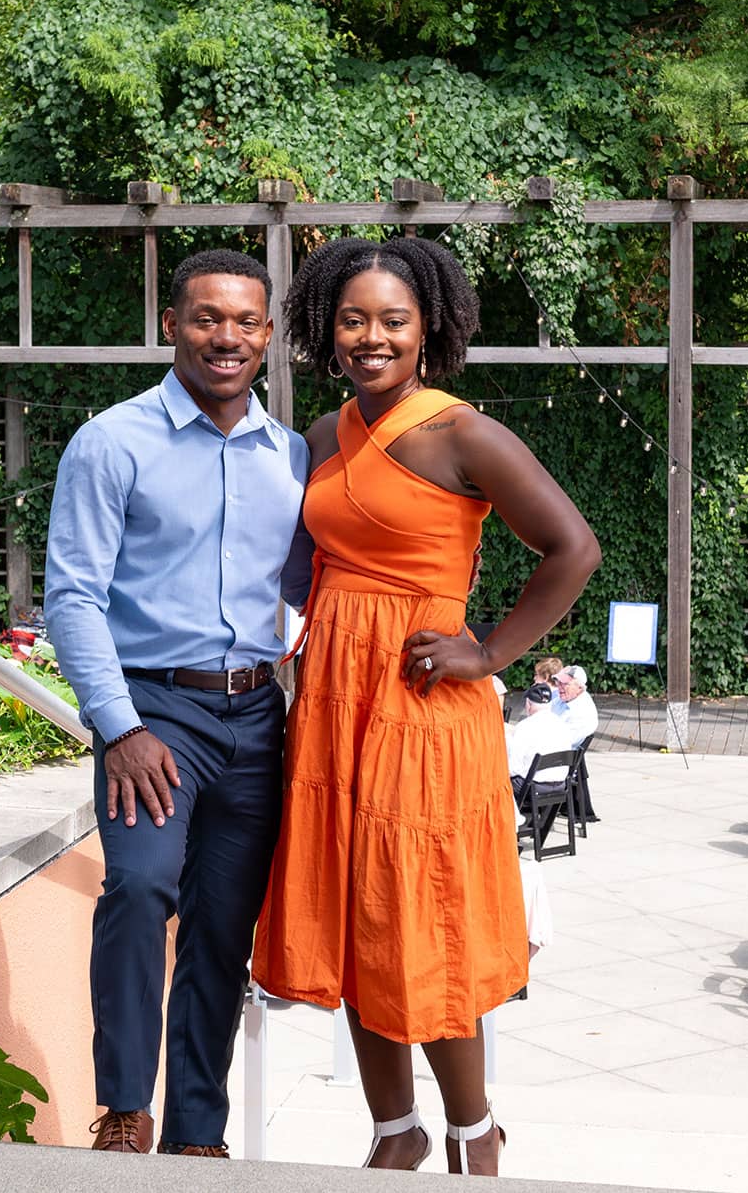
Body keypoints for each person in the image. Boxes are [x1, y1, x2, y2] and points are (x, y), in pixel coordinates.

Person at [252, 236, 600, 1176]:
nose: (372, 337)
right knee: (356, 911)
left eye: (393, 321)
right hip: (336, 697)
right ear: (327, 328)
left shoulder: (462, 433)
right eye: (353, 319)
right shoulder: (324, 434)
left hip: (421, 698)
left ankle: (473, 1132)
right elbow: (300, 565)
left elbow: (573, 547)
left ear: (427, 328)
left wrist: (487, 652)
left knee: (424, 914)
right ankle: (394, 1128)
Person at [45, 248, 307, 1158]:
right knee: (141, 882)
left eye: (245, 321)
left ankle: (198, 1131)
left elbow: (306, 585)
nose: (226, 337)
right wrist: (119, 726)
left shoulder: (291, 456)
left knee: (223, 926)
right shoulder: (112, 442)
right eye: (207, 317)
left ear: (267, 335)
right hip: (153, 710)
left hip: (257, 715)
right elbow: (72, 596)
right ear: (171, 325)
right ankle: (124, 1106)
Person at [506, 683, 573, 794]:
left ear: (528, 704)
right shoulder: (562, 724)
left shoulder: (525, 726)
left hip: (532, 787)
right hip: (561, 785)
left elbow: (512, 769)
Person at [550, 664, 598, 749]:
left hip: (556, 752)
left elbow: (561, 741)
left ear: (579, 688)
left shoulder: (582, 712)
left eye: (565, 683)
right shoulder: (565, 698)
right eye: (558, 682)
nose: (559, 686)